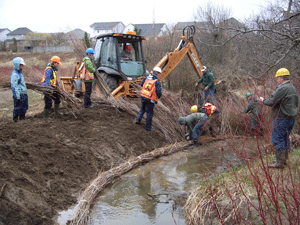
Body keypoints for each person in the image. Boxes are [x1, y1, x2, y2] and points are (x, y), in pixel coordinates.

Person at [259, 68, 299, 168]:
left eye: (277, 78)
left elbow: (272, 101)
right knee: (285, 138)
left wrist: (263, 100)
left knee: (278, 138)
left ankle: (279, 162)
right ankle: (284, 159)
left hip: (281, 118)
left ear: (282, 78)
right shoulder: (292, 88)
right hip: (291, 118)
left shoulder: (283, 88)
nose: (277, 80)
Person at [135, 67, 162, 131]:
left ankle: (138, 119)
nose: (159, 75)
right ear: (157, 73)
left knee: (143, 108)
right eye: (159, 73)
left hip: (143, 95)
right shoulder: (157, 81)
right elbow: (159, 92)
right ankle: (148, 127)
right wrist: (158, 97)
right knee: (149, 113)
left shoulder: (147, 78)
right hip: (150, 98)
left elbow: (142, 84)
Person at [11, 57, 28, 122]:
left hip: (23, 94)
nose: (23, 66)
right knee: (18, 108)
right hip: (19, 95)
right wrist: (17, 97)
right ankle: (15, 120)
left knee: (24, 107)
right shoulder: (15, 75)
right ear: (17, 65)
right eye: (21, 65)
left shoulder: (20, 73)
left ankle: (22, 119)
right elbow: (14, 86)